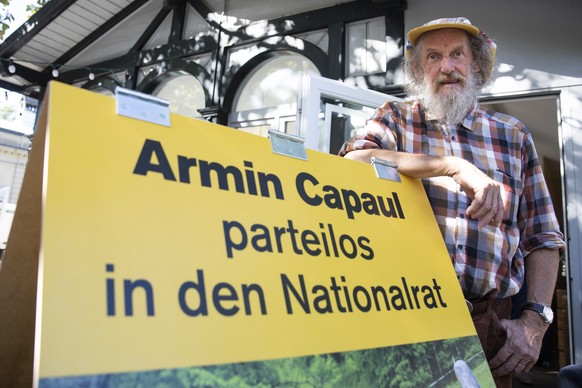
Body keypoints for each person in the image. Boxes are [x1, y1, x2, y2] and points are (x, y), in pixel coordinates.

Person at [338, 17, 565, 387]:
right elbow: (354, 161)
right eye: (433, 57)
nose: (447, 67)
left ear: (474, 64)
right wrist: (451, 167)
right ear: (418, 69)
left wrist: (535, 322)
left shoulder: (513, 136)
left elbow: (544, 238)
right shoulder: (396, 119)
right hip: (404, 320)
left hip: (490, 328)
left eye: (457, 54)